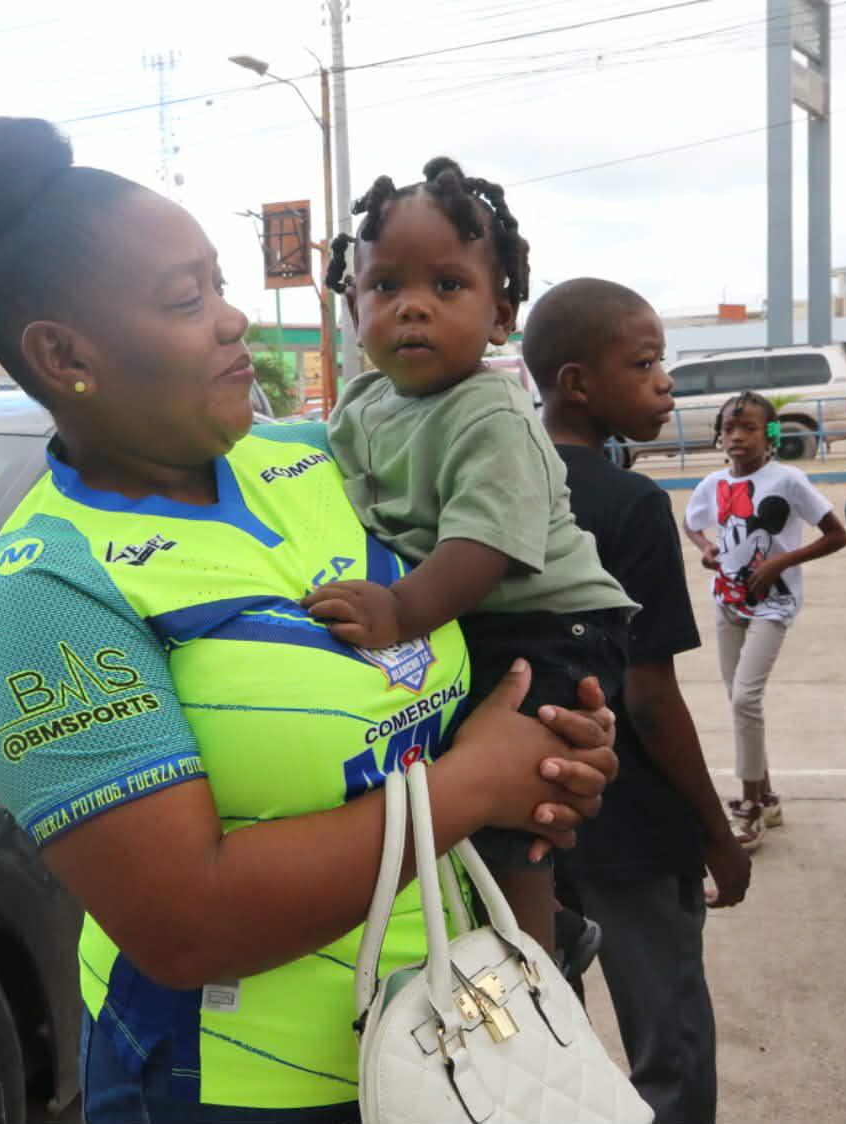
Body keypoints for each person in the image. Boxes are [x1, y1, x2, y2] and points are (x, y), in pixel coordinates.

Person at [0, 117, 620, 1124]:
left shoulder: (320, 459)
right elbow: (185, 918)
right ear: (64, 353)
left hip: (467, 1032)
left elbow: (470, 638)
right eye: (186, 298)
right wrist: (472, 783)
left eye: (220, 283)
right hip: (240, 1086)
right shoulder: (43, 595)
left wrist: (555, 758)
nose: (230, 320)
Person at [306, 158, 636, 953]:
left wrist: (397, 610)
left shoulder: (490, 412)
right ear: (352, 307)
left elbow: (483, 547)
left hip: (549, 624)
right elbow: (327, 489)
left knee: (520, 790)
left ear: (500, 315)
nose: (413, 306)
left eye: (448, 286)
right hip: (460, 614)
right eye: (386, 287)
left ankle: (536, 951)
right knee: (449, 785)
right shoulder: (361, 402)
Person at [526, 277, 751, 1124]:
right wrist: (716, 836)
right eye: (647, 362)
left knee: (551, 1039)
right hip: (629, 825)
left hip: (524, 816)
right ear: (579, 381)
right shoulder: (631, 506)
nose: (665, 382)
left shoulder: (490, 493)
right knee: (670, 1047)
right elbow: (653, 700)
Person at [684, 391, 846, 849]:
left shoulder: (788, 480)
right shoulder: (713, 484)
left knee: (744, 698)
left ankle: (750, 807)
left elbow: (838, 535)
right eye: (729, 429)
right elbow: (693, 522)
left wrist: (781, 562)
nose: (737, 436)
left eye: (749, 428)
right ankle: (769, 795)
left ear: (770, 434)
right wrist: (706, 548)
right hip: (727, 602)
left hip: (772, 605)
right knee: (742, 706)